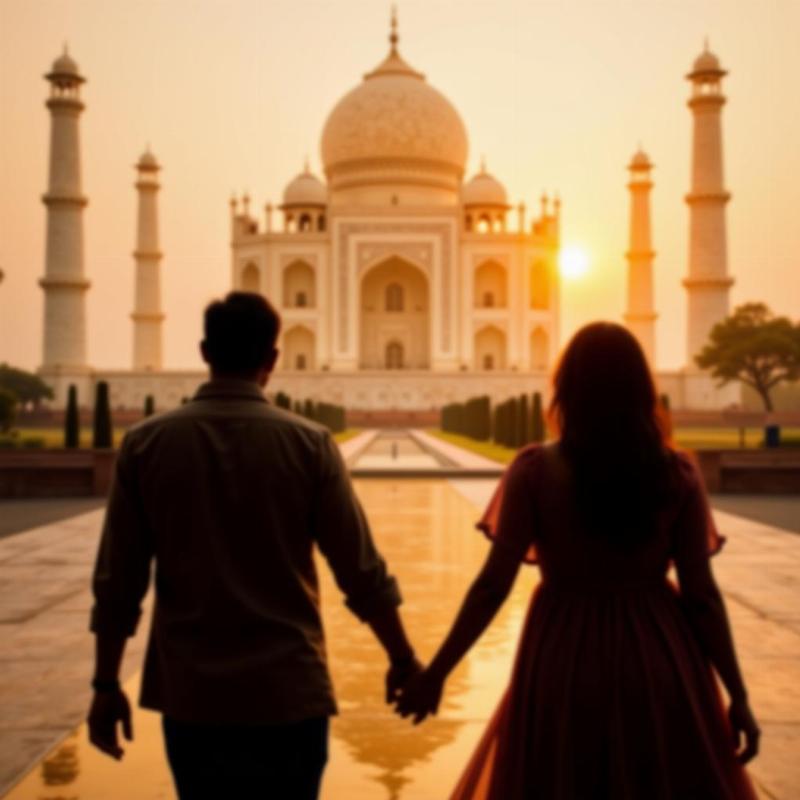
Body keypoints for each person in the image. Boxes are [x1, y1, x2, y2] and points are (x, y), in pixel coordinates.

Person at [396, 322, 760, 799]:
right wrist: (738, 695)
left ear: (565, 388)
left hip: (564, 655)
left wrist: (435, 673)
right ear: (642, 391)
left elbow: (492, 586)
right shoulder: (676, 474)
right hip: (658, 653)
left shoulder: (534, 472)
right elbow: (702, 595)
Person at [87, 292, 420, 799]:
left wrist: (106, 686)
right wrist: (402, 658)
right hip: (288, 691)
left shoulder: (147, 443)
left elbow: (119, 582)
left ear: (204, 351)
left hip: (192, 694)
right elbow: (359, 570)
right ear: (273, 359)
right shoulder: (309, 444)